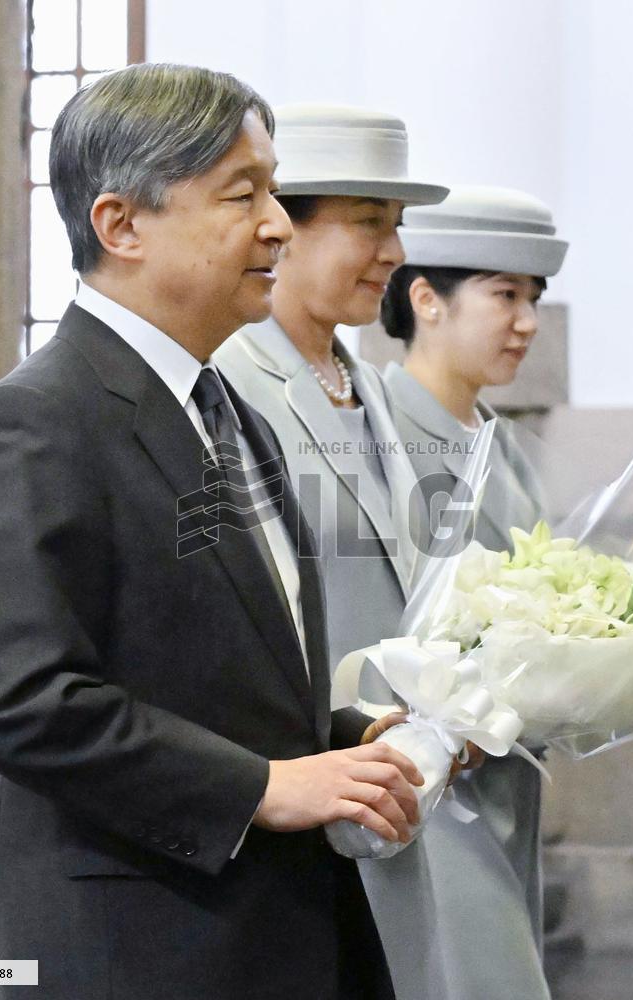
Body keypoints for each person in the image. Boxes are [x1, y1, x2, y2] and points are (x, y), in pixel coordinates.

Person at [0, 65, 426, 1000]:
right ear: (120, 226)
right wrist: (261, 789)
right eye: (244, 194)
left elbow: (209, 666)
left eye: (273, 189)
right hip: (132, 945)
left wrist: (346, 740)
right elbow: (20, 699)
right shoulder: (36, 422)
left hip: (263, 932)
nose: (278, 222)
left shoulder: (228, 408)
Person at [217, 104, 475, 998]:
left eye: (397, 226)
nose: (396, 252)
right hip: (298, 783)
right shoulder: (230, 381)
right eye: (369, 223)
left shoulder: (367, 383)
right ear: (284, 227)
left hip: (393, 778)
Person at [381, 184, 569, 999]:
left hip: (501, 782)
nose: (525, 320)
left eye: (531, 298)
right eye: (503, 295)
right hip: (416, 787)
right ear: (426, 298)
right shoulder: (370, 437)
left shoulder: (509, 451)